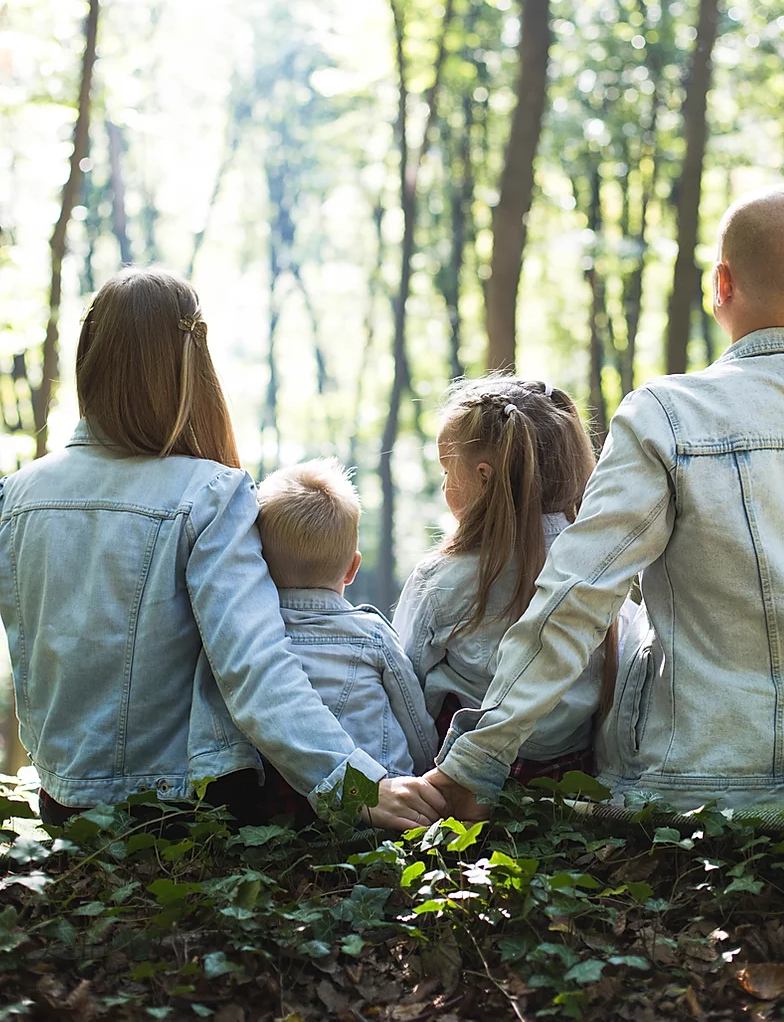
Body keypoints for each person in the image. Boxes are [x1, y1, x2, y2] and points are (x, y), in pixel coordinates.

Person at [425, 187, 784, 816]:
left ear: (721, 283)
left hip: (695, 784)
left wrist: (477, 761)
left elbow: (576, 596)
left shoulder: (668, 416)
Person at [0, 268, 445, 831]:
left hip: (63, 806)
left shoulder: (15, 495)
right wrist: (355, 783)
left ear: (89, 355)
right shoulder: (210, 494)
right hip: (180, 813)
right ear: (191, 367)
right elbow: (254, 666)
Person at [393, 376, 636, 782]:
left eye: (447, 470)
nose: (443, 484)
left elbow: (405, 686)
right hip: (572, 779)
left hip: (459, 780)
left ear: (484, 477)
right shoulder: (603, 571)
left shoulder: (440, 578)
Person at [255, 458, 437, 789]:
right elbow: (415, 724)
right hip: (383, 799)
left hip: (287, 806)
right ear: (352, 568)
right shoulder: (373, 635)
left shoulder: (251, 638)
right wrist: (426, 770)